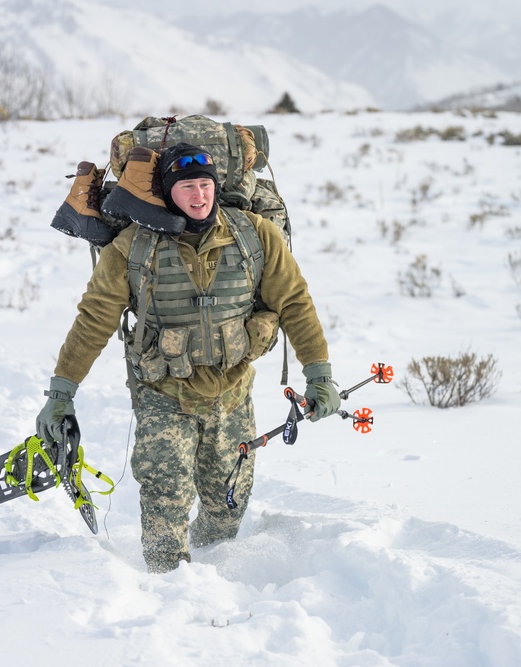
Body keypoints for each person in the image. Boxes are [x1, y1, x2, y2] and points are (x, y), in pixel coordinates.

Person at [36, 142, 340, 573]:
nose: (199, 196)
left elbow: (295, 303)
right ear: (166, 192)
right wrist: (61, 393)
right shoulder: (130, 249)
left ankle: (213, 571)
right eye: (186, 187)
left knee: (227, 506)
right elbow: (93, 320)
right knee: (166, 493)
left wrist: (319, 373)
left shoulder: (255, 235)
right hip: (164, 392)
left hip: (232, 392)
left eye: (205, 185)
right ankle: (166, 586)